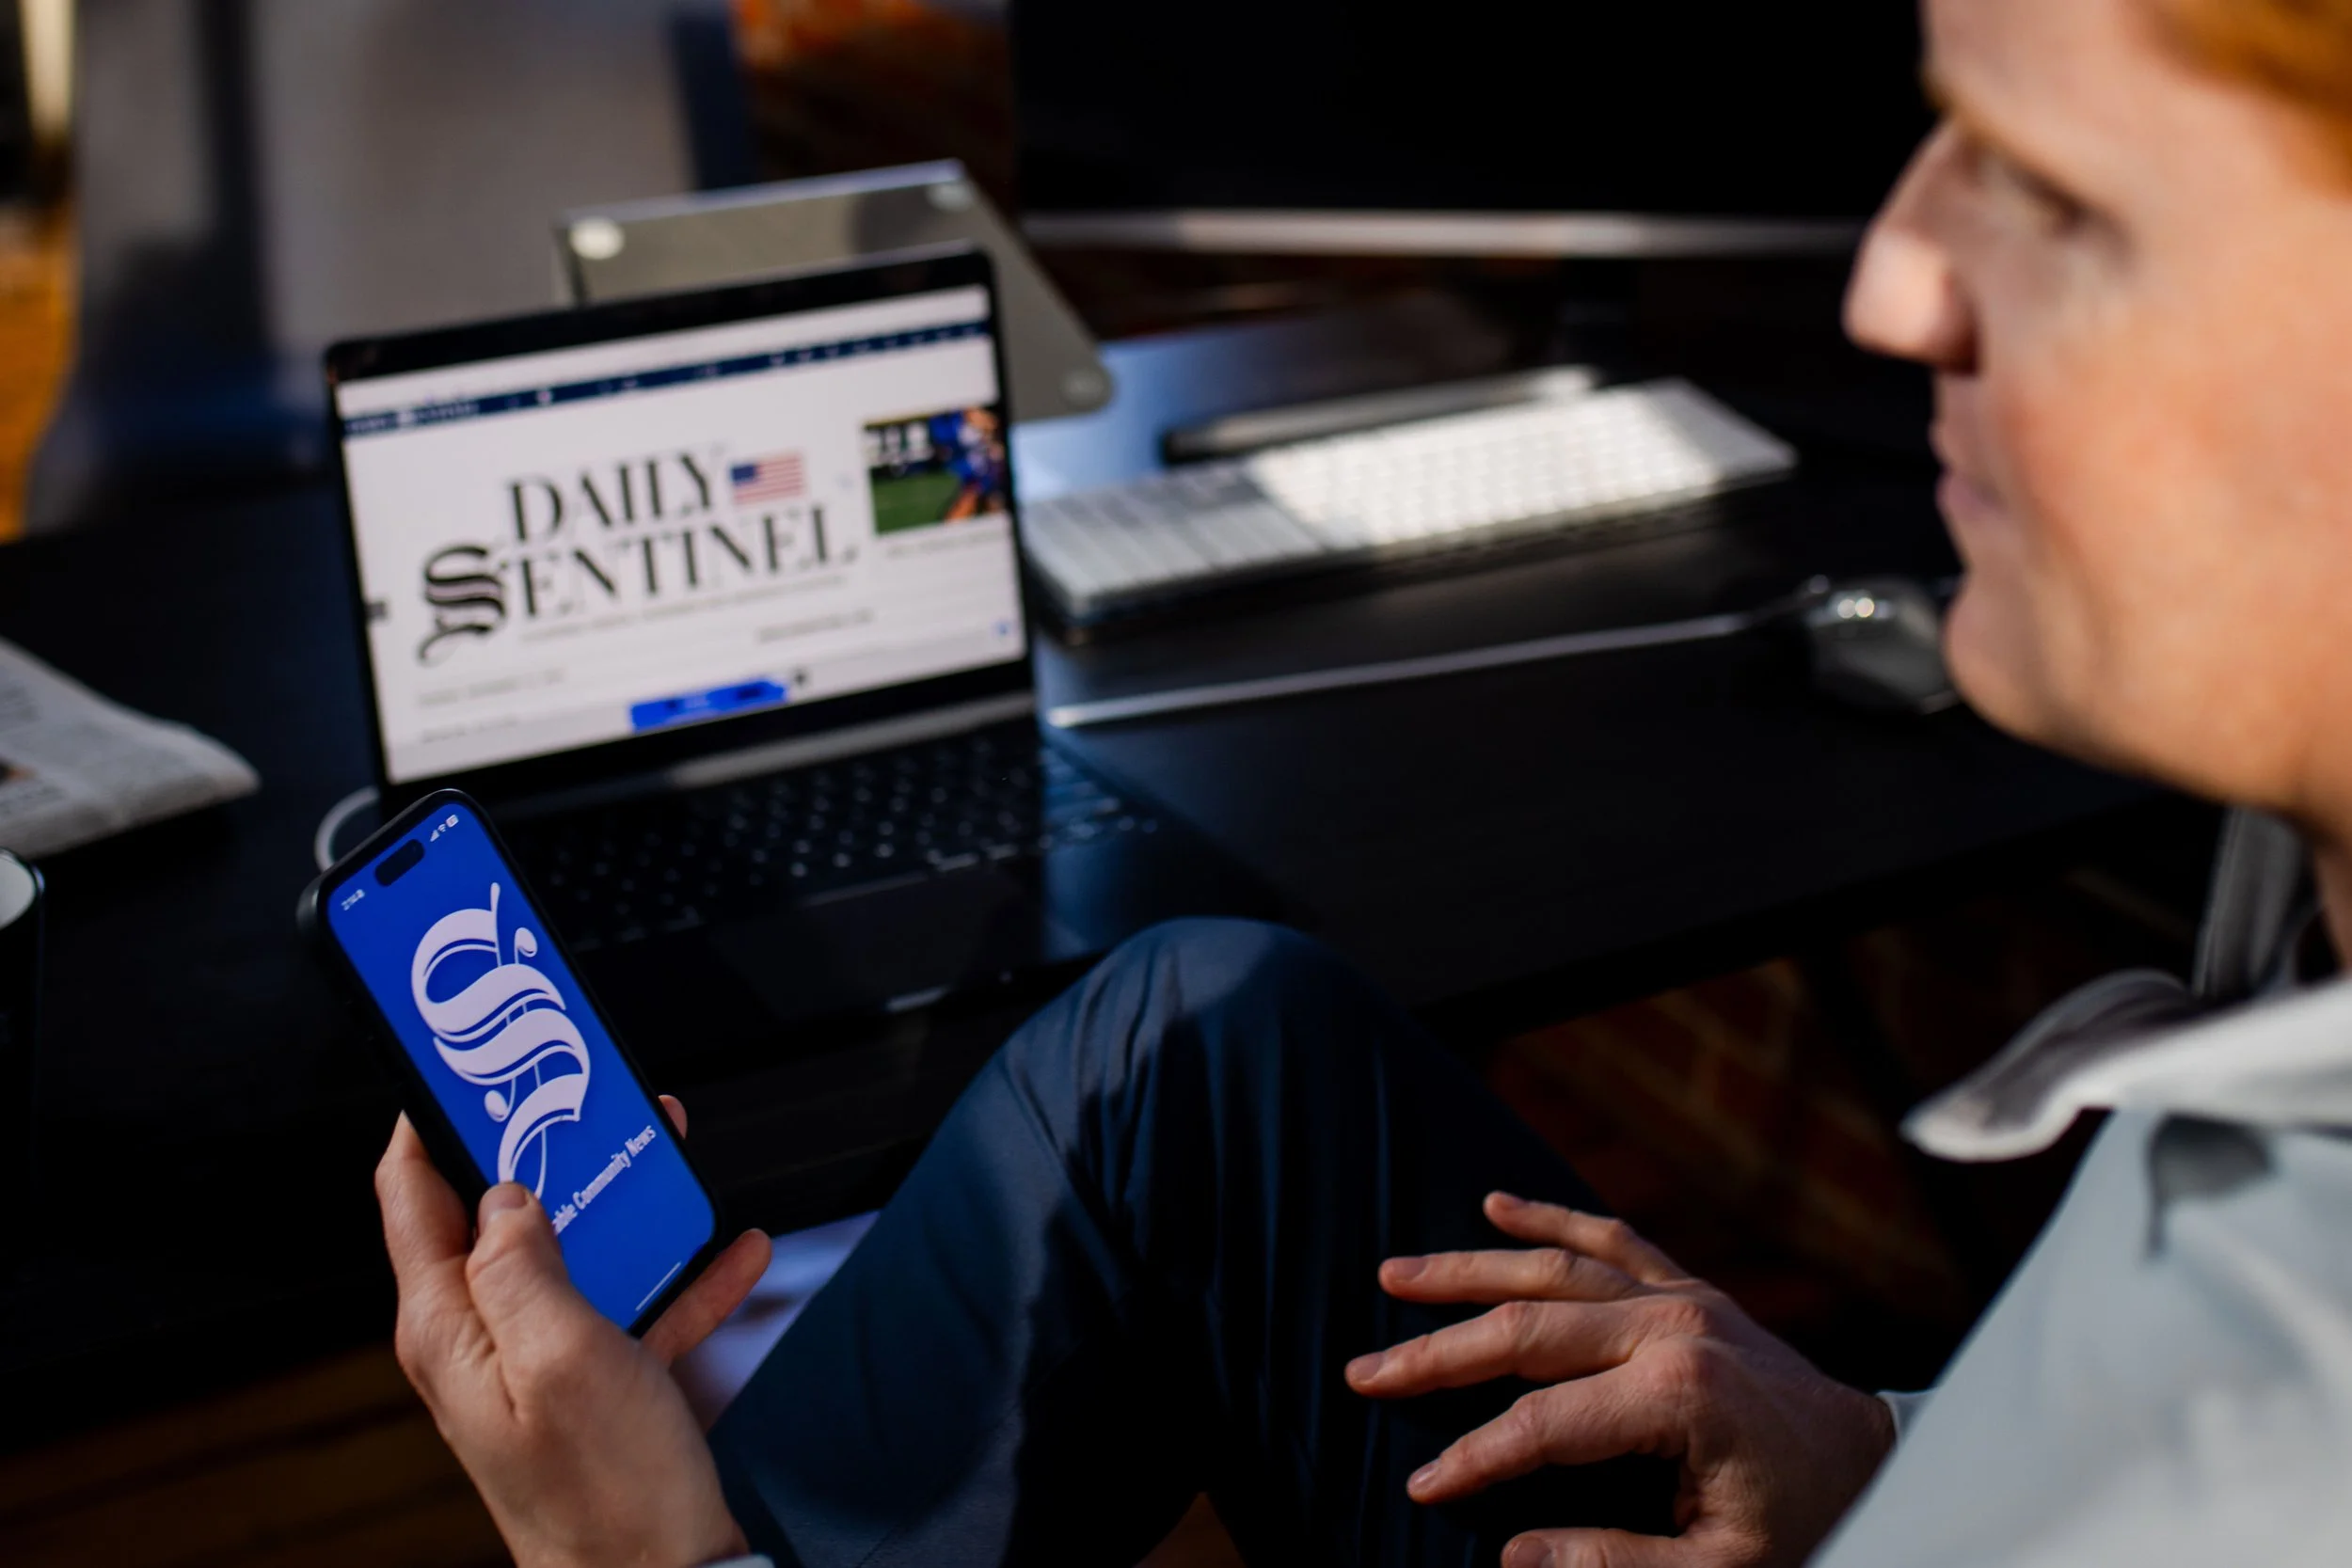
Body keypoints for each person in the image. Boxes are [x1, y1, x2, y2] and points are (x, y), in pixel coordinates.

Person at [372, 0, 2352, 1563]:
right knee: (1203, 1017)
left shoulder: (2272, 1388)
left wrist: (630, 1553)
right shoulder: (2286, 947)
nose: (1889, 282)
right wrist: (1868, 1450)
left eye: (2054, 187)